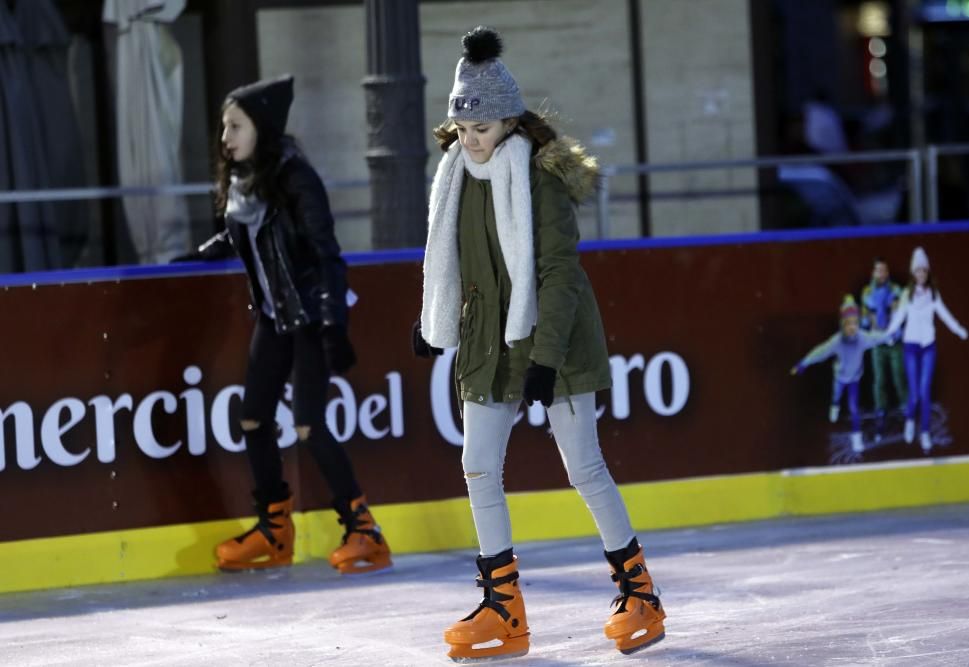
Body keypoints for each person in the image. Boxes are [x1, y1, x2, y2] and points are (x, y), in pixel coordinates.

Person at [413, 27, 665, 661]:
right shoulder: (456, 179)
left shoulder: (538, 179)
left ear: (509, 122)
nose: (469, 138)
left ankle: (640, 594)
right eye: (462, 128)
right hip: (487, 344)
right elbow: (454, 265)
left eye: (482, 127)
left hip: (555, 342)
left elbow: (559, 276)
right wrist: (432, 322)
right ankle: (504, 609)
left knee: (583, 469)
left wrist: (546, 360)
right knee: (477, 467)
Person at [187, 75, 391, 574]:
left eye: (235, 126)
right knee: (253, 418)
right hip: (276, 317)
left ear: (263, 128)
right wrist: (194, 257)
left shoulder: (296, 177)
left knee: (308, 424)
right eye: (223, 127)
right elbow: (245, 238)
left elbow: (326, 254)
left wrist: (332, 326)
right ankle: (275, 530)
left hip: (310, 316)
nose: (225, 138)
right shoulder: (243, 184)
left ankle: (365, 532)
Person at [885, 247, 969, 453]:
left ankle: (924, 433)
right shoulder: (907, 294)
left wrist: (958, 329)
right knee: (914, 393)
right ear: (913, 273)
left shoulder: (933, 294)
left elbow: (944, 314)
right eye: (917, 271)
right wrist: (888, 333)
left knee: (925, 391)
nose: (921, 274)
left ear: (927, 272)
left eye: (924, 271)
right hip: (910, 347)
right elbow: (898, 318)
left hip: (928, 346)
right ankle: (910, 421)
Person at [792, 295, 887, 453]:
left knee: (854, 408)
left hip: (855, 379)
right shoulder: (837, 341)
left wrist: (891, 335)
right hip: (840, 377)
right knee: (836, 395)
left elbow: (877, 337)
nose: (852, 327)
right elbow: (820, 352)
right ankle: (834, 406)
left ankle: (856, 438)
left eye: (855, 323)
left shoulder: (863, 338)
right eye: (848, 323)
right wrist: (804, 363)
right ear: (843, 324)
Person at [860, 257, 908, 440]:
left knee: (899, 376)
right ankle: (881, 413)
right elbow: (865, 318)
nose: (882, 274)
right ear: (873, 272)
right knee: (879, 380)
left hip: (894, 341)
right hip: (877, 342)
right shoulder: (867, 292)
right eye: (878, 270)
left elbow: (901, 314)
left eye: (885, 270)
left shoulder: (896, 290)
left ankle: (906, 411)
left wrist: (893, 331)